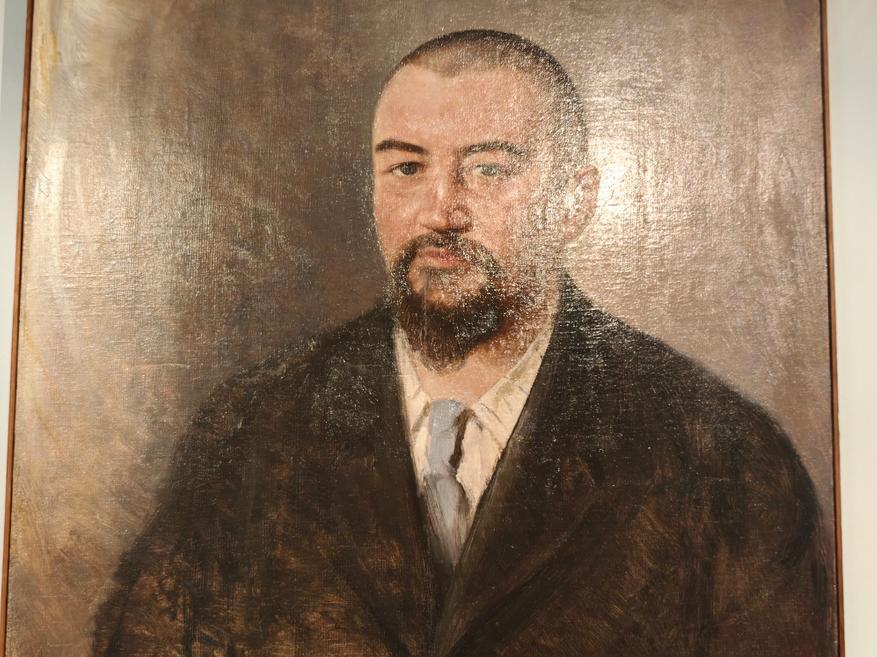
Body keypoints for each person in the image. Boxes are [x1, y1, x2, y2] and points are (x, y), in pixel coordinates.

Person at [93, 30, 835, 657]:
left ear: (574, 201)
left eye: (488, 168)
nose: (440, 210)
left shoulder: (720, 456)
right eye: (407, 167)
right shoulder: (251, 427)